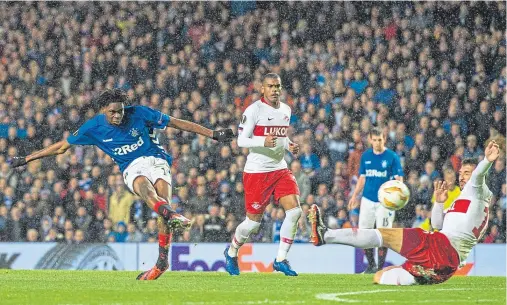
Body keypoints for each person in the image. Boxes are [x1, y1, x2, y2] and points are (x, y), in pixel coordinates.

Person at [10, 89, 234, 280]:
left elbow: (176, 123)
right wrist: (27, 158)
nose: (118, 115)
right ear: (103, 111)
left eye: (120, 110)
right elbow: (61, 147)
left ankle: (162, 261)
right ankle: (172, 215)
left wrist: (212, 134)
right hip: (131, 168)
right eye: (113, 112)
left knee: (162, 206)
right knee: (147, 191)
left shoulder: (139, 113)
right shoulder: (93, 127)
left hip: (156, 159)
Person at [309, 141, 500, 285]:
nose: (462, 176)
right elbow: (438, 225)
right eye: (461, 173)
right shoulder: (465, 200)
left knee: (384, 234)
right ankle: (418, 275)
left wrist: (487, 161)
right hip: (445, 265)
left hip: (441, 247)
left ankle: (325, 235)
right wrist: (440, 203)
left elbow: (478, 175)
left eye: (466, 172)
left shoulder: (479, 190)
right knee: (380, 277)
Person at [224, 73, 302, 276]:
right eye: (271, 86)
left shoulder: (286, 109)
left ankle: (281, 259)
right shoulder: (253, 110)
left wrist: (289, 144)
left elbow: (281, 136)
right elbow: (241, 140)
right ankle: (232, 252)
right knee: (252, 223)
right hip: (257, 172)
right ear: (263, 89)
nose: (275, 90)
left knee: (295, 212)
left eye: (278, 86)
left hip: (279, 168)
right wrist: (262, 141)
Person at [347, 127, 404, 273]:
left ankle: (380, 268)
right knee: (365, 234)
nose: (378, 143)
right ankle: (371, 265)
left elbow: (399, 177)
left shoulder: (392, 157)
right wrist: (354, 196)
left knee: (383, 234)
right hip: (367, 199)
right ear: (370, 140)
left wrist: (399, 190)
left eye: (380, 140)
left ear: (384, 139)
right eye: (375, 140)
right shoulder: (366, 156)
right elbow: (362, 178)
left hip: (385, 202)